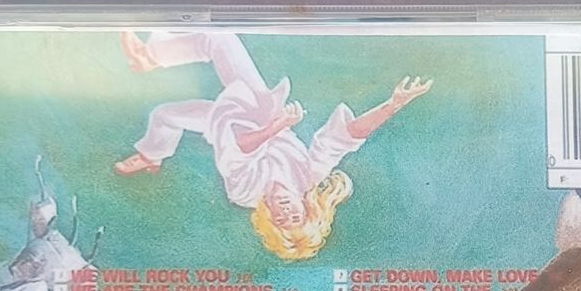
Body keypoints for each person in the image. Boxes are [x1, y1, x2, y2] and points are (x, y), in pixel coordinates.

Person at [115, 31, 431, 260]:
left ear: (269, 219)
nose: (286, 212)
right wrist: (393, 105)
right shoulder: (308, 176)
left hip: (228, 124)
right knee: (220, 39)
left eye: (281, 220)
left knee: (164, 116)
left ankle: (152, 155)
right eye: (296, 216)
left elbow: (240, 147)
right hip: (256, 108)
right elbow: (345, 136)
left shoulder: (244, 194)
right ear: (307, 208)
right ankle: (149, 58)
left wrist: (279, 126)